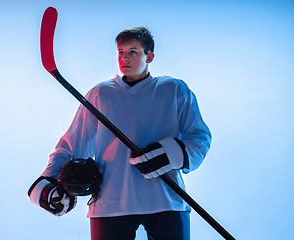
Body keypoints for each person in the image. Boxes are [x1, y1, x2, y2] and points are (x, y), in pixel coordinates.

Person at [28, 26, 212, 240]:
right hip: (111, 202)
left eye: (133, 51)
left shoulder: (174, 89)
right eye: (121, 52)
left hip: (166, 199)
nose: (125, 58)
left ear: (149, 56)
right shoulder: (100, 94)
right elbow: (71, 144)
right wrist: (48, 178)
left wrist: (174, 153)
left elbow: (199, 137)